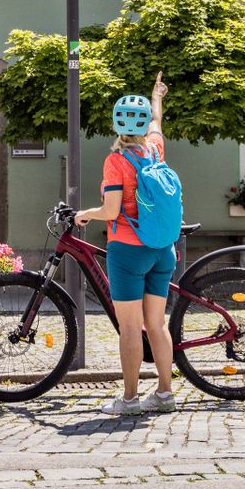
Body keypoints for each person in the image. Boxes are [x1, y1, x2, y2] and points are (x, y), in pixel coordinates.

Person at [75, 71, 178, 415]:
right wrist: (157, 95)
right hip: (163, 248)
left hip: (128, 250)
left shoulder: (116, 161)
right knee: (157, 325)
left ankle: (130, 399)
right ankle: (165, 394)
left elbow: (112, 209)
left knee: (131, 327)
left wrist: (85, 213)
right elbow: (158, 123)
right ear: (144, 123)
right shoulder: (155, 149)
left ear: (117, 126)